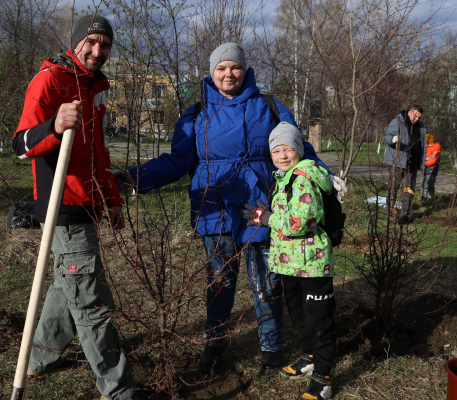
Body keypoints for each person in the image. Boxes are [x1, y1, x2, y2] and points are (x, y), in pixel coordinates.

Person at [114, 43, 344, 376]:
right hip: (215, 205)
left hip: (262, 206)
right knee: (219, 281)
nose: (228, 74)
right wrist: (134, 178)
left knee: (267, 282)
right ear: (211, 72)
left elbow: (300, 148)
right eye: (221, 68)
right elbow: (177, 160)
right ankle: (215, 343)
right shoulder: (197, 113)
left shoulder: (270, 106)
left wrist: (325, 176)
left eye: (234, 67)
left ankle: (270, 349)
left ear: (245, 70)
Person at [12, 15, 143, 400]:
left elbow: (99, 151)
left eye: (105, 46)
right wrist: (54, 126)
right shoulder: (49, 79)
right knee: (90, 300)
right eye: (91, 43)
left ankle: (40, 358)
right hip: (61, 204)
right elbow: (20, 143)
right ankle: (118, 389)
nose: (98, 51)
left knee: (66, 286)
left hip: (89, 204)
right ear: (76, 43)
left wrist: (113, 200)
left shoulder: (96, 86)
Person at [240, 122, 335, 400]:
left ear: (299, 149)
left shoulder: (303, 177)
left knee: (319, 320)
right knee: (300, 315)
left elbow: (301, 222)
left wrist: (267, 217)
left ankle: (323, 378)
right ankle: (308, 357)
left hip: (313, 264)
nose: (282, 155)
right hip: (290, 263)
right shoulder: (284, 177)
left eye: (288, 149)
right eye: (277, 150)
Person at [383, 105, 426, 222]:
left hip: (412, 163)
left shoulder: (420, 126)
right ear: (409, 112)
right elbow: (386, 138)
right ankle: (390, 212)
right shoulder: (398, 122)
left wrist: (421, 162)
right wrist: (393, 140)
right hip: (397, 162)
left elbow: (422, 144)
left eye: (419, 117)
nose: (416, 119)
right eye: (415, 116)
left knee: (409, 189)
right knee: (393, 188)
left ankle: (406, 215)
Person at [421, 133, 441, 201]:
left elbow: (435, 159)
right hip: (424, 167)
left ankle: (431, 197)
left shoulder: (436, 147)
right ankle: (423, 197)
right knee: (423, 182)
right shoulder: (425, 147)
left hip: (432, 167)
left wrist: (425, 164)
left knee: (430, 183)